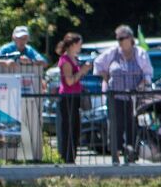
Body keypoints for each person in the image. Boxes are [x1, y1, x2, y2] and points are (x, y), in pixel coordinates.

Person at [93, 25, 152, 165]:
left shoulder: (140, 53)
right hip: (115, 97)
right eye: (118, 38)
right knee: (115, 126)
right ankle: (115, 155)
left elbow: (148, 73)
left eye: (122, 38)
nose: (119, 41)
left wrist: (141, 85)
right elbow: (97, 64)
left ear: (130, 38)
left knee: (132, 125)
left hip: (134, 97)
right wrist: (106, 76)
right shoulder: (112, 53)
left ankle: (131, 154)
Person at [55, 32, 91, 163]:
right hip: (67, 98)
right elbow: (69, 81)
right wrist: (82, 71)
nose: (80, 47)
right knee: (68, 129)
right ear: (72, 45)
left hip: (75, 97)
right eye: (79, 44)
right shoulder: (65, 60)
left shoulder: (74, 59)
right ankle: (66, 158)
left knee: (75, 129)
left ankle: (72, 157)